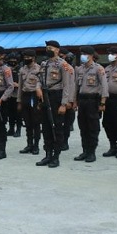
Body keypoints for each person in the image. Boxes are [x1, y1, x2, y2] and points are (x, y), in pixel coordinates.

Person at [36, 40, 74, 168]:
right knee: (46, 127)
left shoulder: (63, 65)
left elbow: (67, 85)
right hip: (45, 96)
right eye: (47, 47)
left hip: (57, 96)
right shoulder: (44, 63)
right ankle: (47, 154)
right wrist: (37, 88)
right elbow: (39, 79)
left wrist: (64, 104)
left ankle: (56, 156)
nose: (48, 49)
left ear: (57, 50)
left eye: (50, 47)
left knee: (56, 127)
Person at [73, 46, 108, 163]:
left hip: (93, 101)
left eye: (85, 54)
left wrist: (103, 102)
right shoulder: (79, 69)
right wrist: (74, 101)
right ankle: (85, 151)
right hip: (82, 100)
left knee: (93, 127)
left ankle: (91, 152)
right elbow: (76, 87)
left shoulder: (99, 69)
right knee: (83, 127)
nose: (83, 56)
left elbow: (104, 86)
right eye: (82, 53)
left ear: (92, 55)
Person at [17, 49, 42, 155]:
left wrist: (40, 102)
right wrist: (19, 101)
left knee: (36, 122)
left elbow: (41, 85)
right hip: (25, 96)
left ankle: (36, 145)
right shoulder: (22, 69)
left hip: (35, 97)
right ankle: (29, 144)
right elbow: (20, 86)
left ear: (33, 58)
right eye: (25, 57)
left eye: (28, 57)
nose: (26, 59)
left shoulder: (39, 69)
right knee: (27, 123)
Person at [5, 52, 22, 137]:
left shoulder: (21, 69)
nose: (12, 61)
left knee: (18, 114)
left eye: (14, 60)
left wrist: (18, 85)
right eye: (11, 60)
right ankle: (11, 129)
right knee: (10, 113)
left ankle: (18, 130)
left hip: (18, 94)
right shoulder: (7, 69)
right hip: (9, 94)